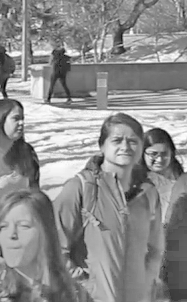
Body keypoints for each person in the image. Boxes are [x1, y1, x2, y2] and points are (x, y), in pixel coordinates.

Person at [53, 113, 163, 302]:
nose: (125, 147)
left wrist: (147, 283)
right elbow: (54, 247)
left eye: (133, 141)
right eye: (117, 140)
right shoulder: (82, 188)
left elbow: (155, 249)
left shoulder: (148, 193)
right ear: (102, 146)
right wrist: (85, 285)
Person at [0, 190, 90, 302]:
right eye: (3, 226)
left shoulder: (71, 290)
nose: (11, 234)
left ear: (46, 234)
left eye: (24, 226)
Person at [138, 127, 181, 222]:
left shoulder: (181, 180)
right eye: (153, 154)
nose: (159, 160)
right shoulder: (134, 182)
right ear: (142, 153)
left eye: (164, 154)